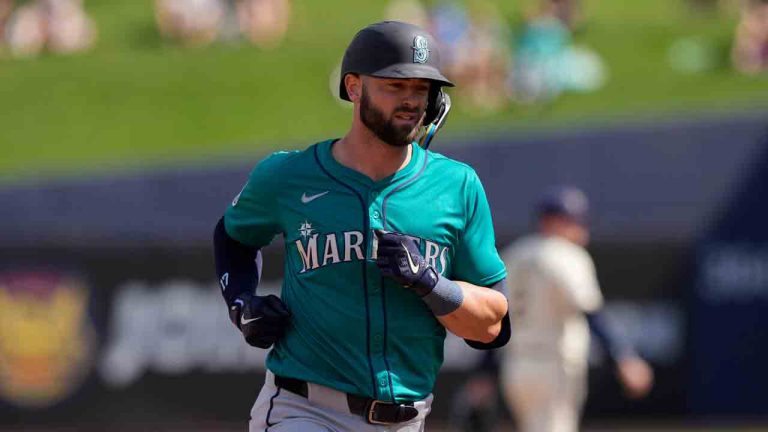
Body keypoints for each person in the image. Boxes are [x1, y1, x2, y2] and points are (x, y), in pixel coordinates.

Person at [213, 20, 510, 432]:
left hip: (407, 418)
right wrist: (240, 302)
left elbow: (493, 325)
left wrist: (430, 283)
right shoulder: (288, 175)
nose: (411, 100)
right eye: (395, 85)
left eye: (421, 89)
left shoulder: (457, 187)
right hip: (304, 409)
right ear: (354, 87)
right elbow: (232, 235)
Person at [499, 186, 653, 432]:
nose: (580, 228)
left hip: (516, 367)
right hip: (553, 367)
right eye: (573, 221)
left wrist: (482, 373)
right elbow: (591, 312)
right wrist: (623, 357)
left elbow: (497, 317)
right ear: (552, 221)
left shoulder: (514, 254)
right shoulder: (568, 255)